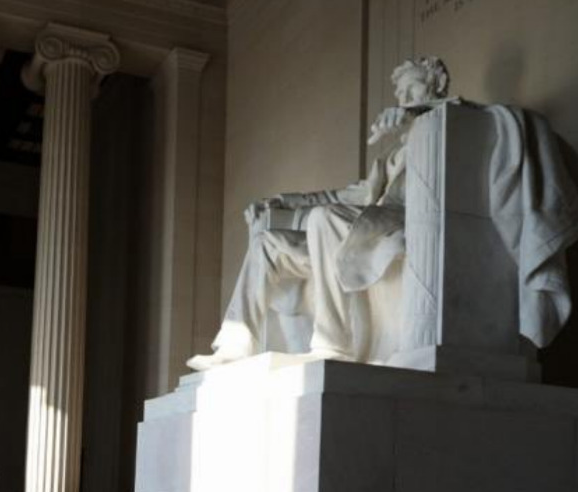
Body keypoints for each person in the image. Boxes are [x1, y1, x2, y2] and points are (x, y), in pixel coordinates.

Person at [190, 57, 455, 368]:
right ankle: (235, 343)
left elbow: (461, 111)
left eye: (414, 88)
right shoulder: (388, 158)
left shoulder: (454, 124)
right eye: (402, 95)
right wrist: (284, 201)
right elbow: (344, 194)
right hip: (360, 227)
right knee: (267, 242)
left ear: (436, 85)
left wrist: (419, 113)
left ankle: (333, 344)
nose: (407, 99)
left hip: (406, 220)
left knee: (323, 218)